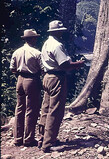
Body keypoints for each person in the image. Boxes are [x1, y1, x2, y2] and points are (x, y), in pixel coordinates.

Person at [38, 20, 84, 153]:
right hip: (56, 77)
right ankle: (49, 143)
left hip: (47, 77)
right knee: (55, 111)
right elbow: (64, 65)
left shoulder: (46, 43)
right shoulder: (57, 45)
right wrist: (78, 64)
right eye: (61, 30)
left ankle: (43, 138)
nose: (63, 32)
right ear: (57, 31)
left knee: (46, 109)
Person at [10, 29, 43, 147]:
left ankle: (17, 138)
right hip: (32, 79)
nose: (36, 40)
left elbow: (12, 69)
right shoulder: (36, 53)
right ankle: (28, 139)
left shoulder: (16, 52)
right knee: (31, 110)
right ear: (32, 39)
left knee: (19, 109)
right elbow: (43, 69)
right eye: (35, 38)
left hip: (20, 79)